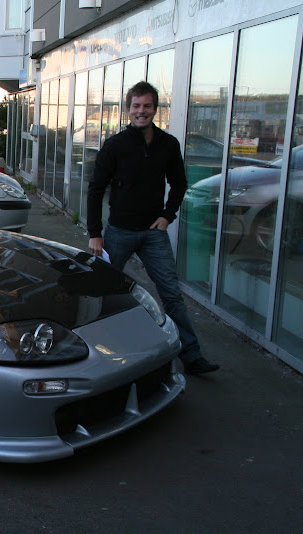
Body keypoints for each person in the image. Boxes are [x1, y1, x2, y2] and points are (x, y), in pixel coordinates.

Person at [87, 81, 219, 375]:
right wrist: (95, 233)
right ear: (128, 109)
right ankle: (98, 357)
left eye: (147, 106)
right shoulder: (115, 145)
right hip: (118, 233)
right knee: (103, 293)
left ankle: (192, 355)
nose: (141, 111)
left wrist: (168, 216)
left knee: (171, 294)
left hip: (153, 234)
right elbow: (95, 189)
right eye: (136, 106)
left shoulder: (168, 145)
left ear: (155, 109)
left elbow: (179, 183)